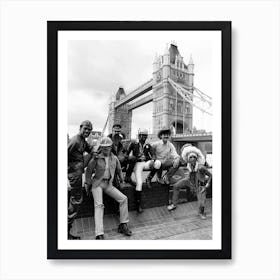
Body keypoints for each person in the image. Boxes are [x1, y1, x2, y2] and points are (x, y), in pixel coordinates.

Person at [85, 137, 132, 240]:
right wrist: (87, 184)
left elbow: (119, 170)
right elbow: (88, 171)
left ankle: (123, 225)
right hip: (97, 184)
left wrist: (122, 181)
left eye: (108, 147)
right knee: (99, 205)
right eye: (104, 147)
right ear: (101, 147)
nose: (106, 149)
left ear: (111, 147)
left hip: (108, 184)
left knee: (123, 199)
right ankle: (99, 234)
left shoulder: (114, 158)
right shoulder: (96, 158)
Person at [167, 146, 212, 220]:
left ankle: (201, 213)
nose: (192, 159)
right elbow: (177, 165)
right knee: (176, 186)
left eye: (194, 157)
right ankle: (174, 204)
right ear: (188, 159)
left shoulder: (201, 167)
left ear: (196, 158)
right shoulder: (189, 166)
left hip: (200, 185)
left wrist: (207, 185)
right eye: (190, 157)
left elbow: (210, 175)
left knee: (201, 203)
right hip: (190, 181)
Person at [68, 120, 94, 239]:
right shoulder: (75, 140)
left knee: (75, 201)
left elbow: (90, 150)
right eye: (85, 129)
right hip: (74, 174)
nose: (87, 131)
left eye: (89, 130)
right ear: (80, 128)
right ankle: (66, 232)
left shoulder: (83, 140)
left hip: (78, 172)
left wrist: (96, 150)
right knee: (76, 201)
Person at [125, 129, 159, 213]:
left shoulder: (148, 145)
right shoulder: (133, 143)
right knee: (139, 183)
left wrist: (153, 160)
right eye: (142, 135)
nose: (144, 137)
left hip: (145, 162)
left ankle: (149, 178)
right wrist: (130, 157)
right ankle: (138, 205)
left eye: (145, 135)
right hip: (137, 163)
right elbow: (126, 154)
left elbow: (153, 154)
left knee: (158, 163)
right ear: (139, 135)